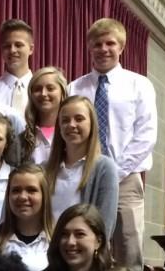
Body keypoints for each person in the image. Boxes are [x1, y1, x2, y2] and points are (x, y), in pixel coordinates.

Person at [69, 18, 157, 270]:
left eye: (110, 43)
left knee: (129, 251)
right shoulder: (75, 87)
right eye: (98, 44)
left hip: (126, 179)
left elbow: (146, 134)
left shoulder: (139, 85)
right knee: (87, 248)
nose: (104, 49)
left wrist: (113, 171)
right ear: (89, 47)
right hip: (83, 176)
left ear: (121, 47)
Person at [46, 96, 118, 239]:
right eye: (65, 120)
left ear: (92, 124)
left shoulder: (104, 168)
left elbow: (104, 224)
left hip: (82, 253)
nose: (71, 125)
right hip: (46, 250)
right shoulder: (45, 169)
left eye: (79, 119)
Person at [0, 162, 54, 271]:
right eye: (16, 190)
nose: (22, 197)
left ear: (44, 195)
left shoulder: (58, 239)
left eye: (31, 190)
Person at [20, 66, 68, 165]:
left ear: (62, 92)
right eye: (37, 89)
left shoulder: (72, 132)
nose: (43, 94)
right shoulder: (23, 138)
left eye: (50, 88)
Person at [0, 18, 35, 115]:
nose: (12, 50)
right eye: (7, 46)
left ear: (31, 49)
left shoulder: (42, 89)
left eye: (18, 45)